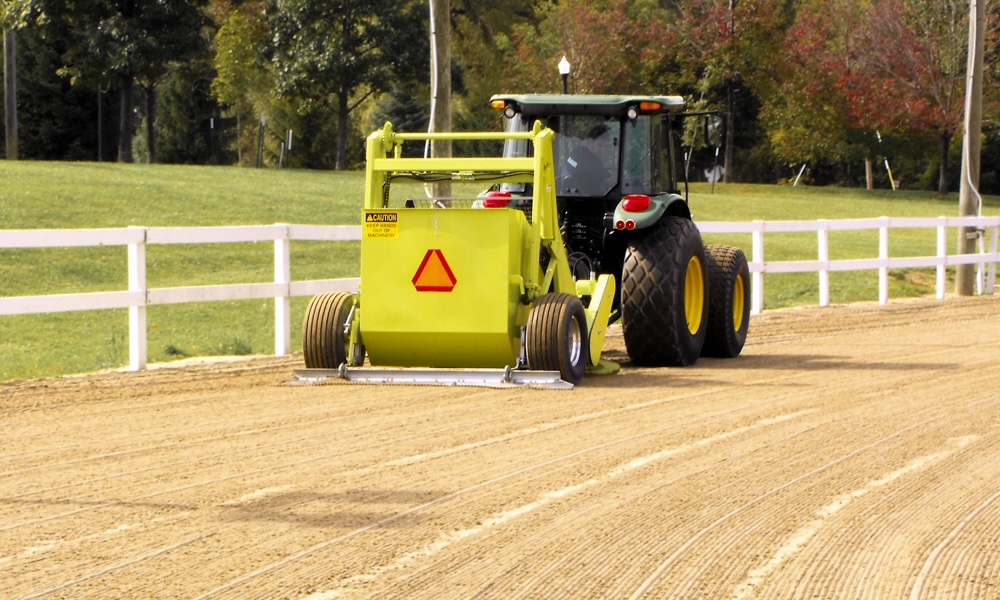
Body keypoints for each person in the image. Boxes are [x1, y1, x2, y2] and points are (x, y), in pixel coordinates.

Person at [562, 124, 614, 194]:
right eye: (599, 145)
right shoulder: (586, 158)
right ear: (590, 142)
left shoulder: (577, 153)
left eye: (605, 146)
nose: (603, 150)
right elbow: (609, 180)